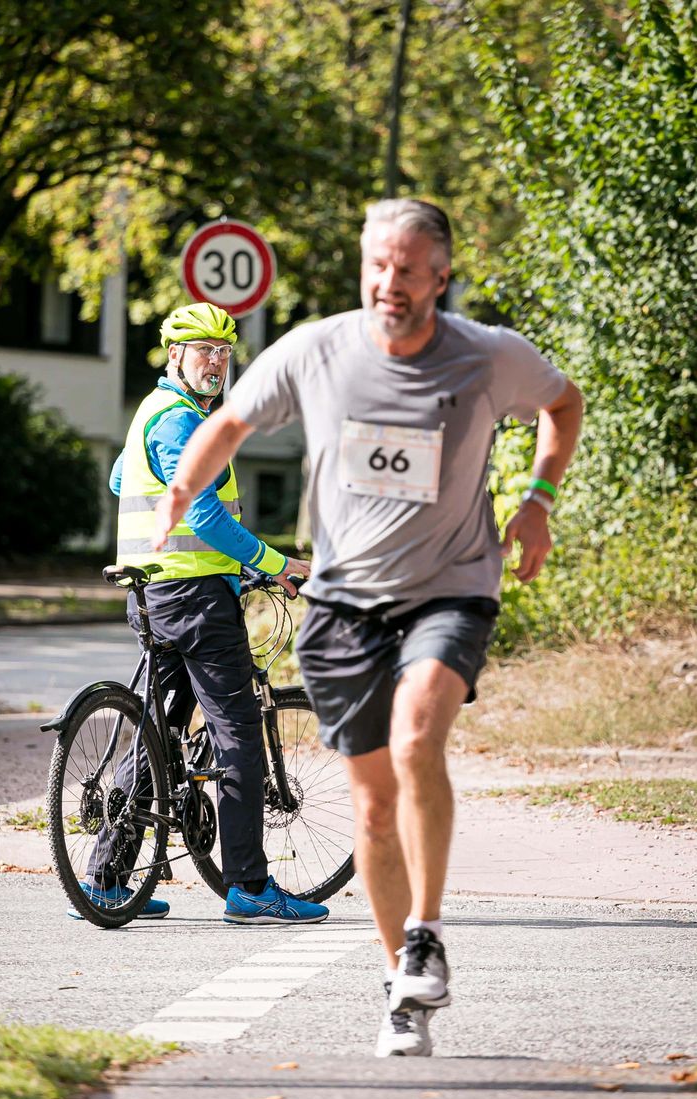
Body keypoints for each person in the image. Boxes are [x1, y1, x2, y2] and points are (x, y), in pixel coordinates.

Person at [152, 201, 583, 1054]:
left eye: (409, 269)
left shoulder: (488, 355)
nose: (390, 283)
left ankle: (425, 931)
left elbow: (562, 405)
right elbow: (230, 421)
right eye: (377, 266)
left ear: (440, 277)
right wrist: (177, 493)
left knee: (420, 738)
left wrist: (536, 501)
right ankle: (402, 984)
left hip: (450, 590)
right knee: (374, 807)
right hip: (345, 604)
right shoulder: (318, 349)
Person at [70, 300, 327, 926]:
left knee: (159, 730)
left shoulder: (154, 416)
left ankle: (106, 878)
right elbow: (206, 516)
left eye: (223, 351)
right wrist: (274, 563)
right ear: (174, 354)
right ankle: (249, 886)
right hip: (195, 601)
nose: (215, 362)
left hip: (160, 596)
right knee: (237, 728)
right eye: (202, 350)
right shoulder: (179, 421)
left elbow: (119, 482)